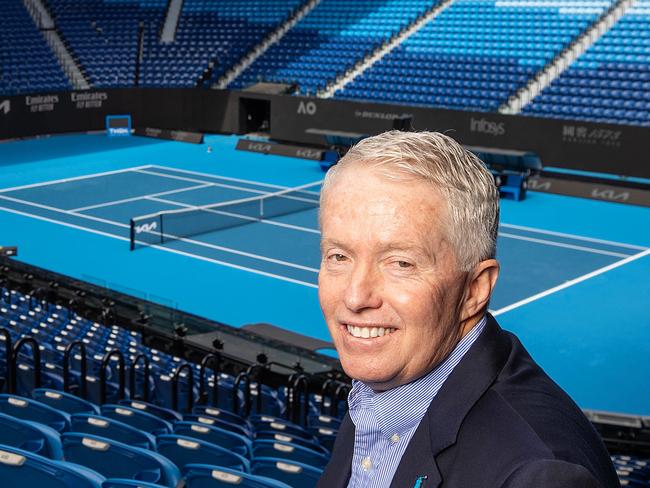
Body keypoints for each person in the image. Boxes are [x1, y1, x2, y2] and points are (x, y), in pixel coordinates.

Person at [316, 131, 619, 488]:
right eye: (339, 256)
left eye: (400, 263)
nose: (355, 297)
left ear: (475, 289)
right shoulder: (379, 389)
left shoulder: (540, 474)